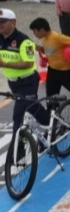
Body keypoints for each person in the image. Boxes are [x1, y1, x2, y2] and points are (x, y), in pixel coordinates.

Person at [0, 9, 49, 137]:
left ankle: (17, 147)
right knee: (32, 107)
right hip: (13, 82)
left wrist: (4, 64)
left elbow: (29, 63)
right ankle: (52, 123)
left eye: (3, 21)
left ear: (13, 22)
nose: (0, 24)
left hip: (27, 81)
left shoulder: (24, 41)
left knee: (18, 115)